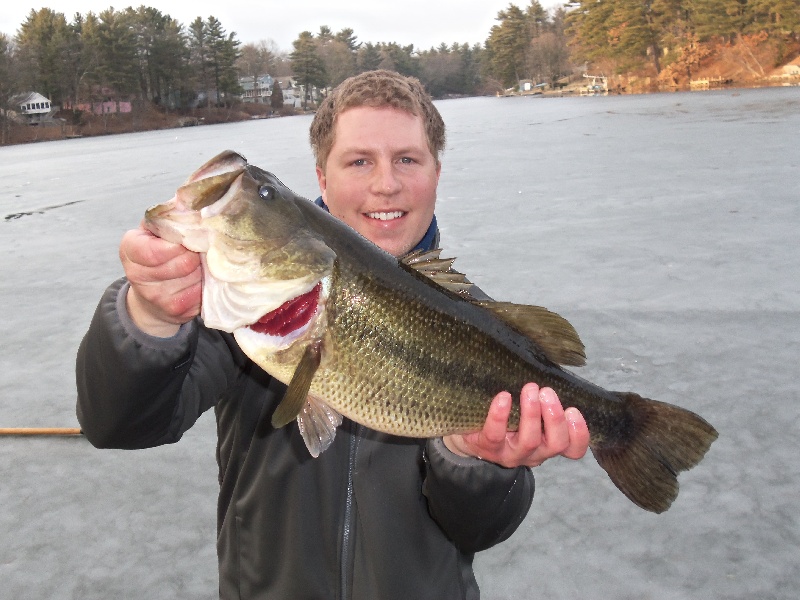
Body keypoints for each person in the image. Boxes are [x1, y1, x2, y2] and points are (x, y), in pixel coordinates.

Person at [76, 70, 590, 600]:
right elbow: (121, 424)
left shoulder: (480, 323)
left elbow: (481, 529)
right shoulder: (234, 308)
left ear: (437, 173)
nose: (385, 184)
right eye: (359, 161)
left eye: (407, 159)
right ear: (322, 179)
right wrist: (151, 316)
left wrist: (474, 460)